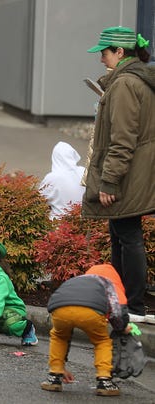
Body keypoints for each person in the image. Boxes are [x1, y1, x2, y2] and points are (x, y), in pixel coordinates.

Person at [83, 26, 155, 324]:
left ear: (120, 52)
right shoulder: (135, 80)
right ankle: (124, 299)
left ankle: (134, 306)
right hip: (137, 170)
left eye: (104, 52)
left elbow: (122, 138)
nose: (101, 59)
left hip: (128, 174)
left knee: (126, 235)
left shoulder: (126, 84)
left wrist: (109, 180)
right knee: (122, 234)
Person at [40, 264, 131, 396]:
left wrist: (61, 367)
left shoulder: (80, 280)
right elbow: (118, 311)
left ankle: (54, 375)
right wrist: (122, 327)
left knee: (59, 337)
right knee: (102, 341)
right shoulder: (110, 283)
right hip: (91, 311)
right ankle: (104, 380)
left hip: (59, 307)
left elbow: (61, 293)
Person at [40, 142, 85, 220]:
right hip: (84, 221)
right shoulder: (83, 171)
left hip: (59, 224)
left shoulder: (52, 177)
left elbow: (39, 200)